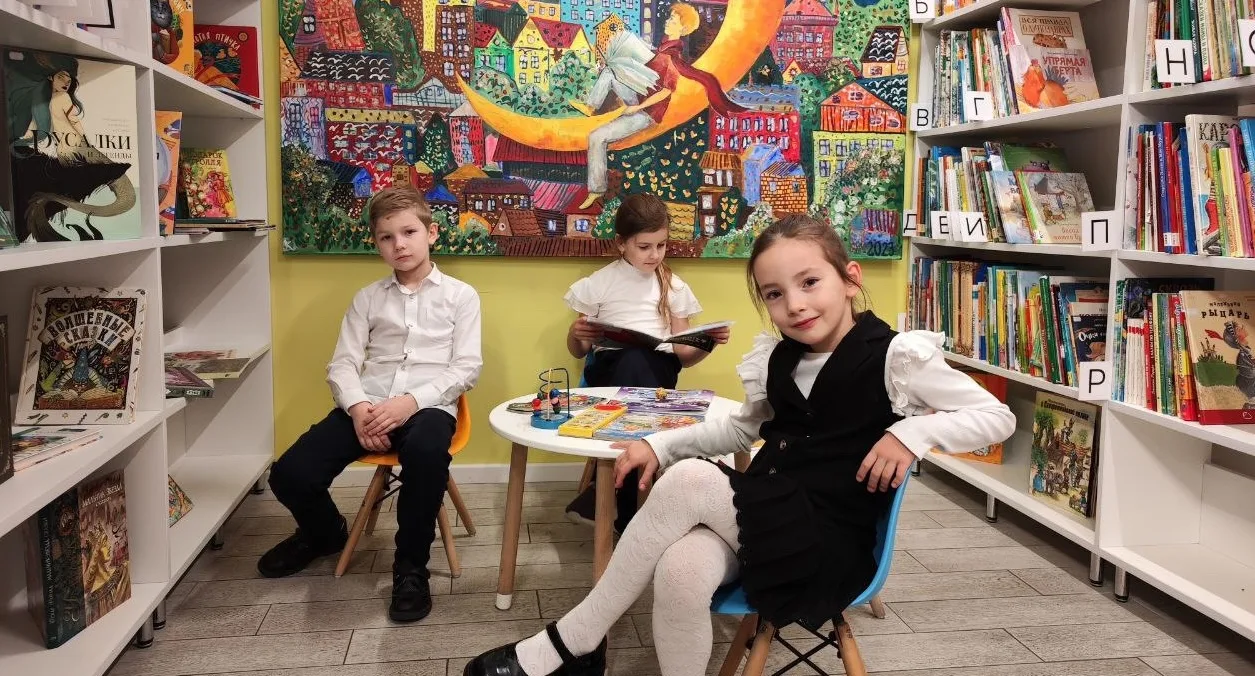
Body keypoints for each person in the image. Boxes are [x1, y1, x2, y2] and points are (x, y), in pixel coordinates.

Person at [463, 215, 1015, 676]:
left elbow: (997, 417)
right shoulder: (778, 357)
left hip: (829, 538)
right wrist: (658, 444)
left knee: (693, 478)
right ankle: (584, 646)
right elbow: (738, 430)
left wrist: (911, 432)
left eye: (809, 282)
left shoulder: (897, 356)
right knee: (679, 569)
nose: (794, 304)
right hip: (767, 517)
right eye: (775, 294)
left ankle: (574, 642)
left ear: (850, 279)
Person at [258, 185, 482, 624]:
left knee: (426, 454)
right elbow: (343, 363)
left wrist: (409, 403)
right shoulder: (367, 298)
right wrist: (359, 409)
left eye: (409, 232)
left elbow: (467, 368)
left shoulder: (461, 296)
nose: (399, 244)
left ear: (431, 233)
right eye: (386, 237)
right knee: (289, 473)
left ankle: (411, 568)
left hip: (429, 407)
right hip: (368, 405)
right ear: (376, 243)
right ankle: (323, 532)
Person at [562, 193, 730, 534]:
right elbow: (579, 352)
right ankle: (630, 508)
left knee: (644, 360)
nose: (655, 254)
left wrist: (706, 344)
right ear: (621, 243)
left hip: (659, 375)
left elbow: (684, 356)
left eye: (661, 246)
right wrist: (577, 333)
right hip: (609, 375)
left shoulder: (673, 286)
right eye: (644, 247)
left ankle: (609, 496)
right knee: (632, 360)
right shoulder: (599, 284)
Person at [570, 2, 744, 209]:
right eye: (669, 18)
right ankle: (591, 106)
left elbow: (666, 91)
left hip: (646, 113)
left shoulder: (672, 57)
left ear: (682, 28)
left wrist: (636, 108)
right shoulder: (661, 49)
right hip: (639, 96)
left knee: (596, 137)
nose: (667, 22)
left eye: (673, 20)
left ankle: (596, 189)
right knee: (611, 70)